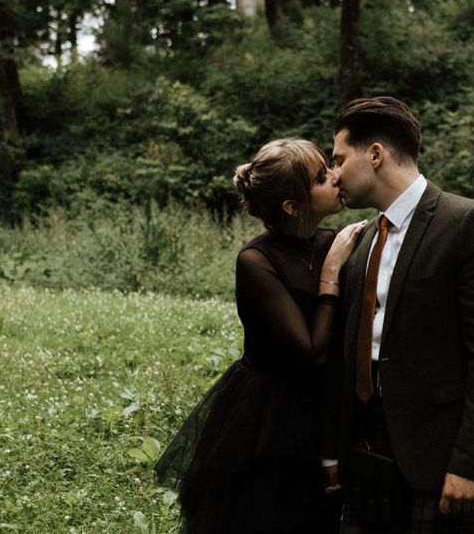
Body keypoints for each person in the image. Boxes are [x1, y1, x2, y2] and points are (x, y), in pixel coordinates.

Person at [154, 138, 365, 534]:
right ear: (292, 206)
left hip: (327, 402)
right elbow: (311, 351)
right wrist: (331, 274)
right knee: (270, 512)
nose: (336, 177)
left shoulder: (337, 240)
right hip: (272, 411)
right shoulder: (257, 260)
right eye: (322, 177)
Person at [331, 97, 474, 533]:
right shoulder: (362, 240)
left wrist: (471, 465)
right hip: (368, 453)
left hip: (442, 457)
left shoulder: (470, 223)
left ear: (375, 154)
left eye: (339, 159)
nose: (334, 173)